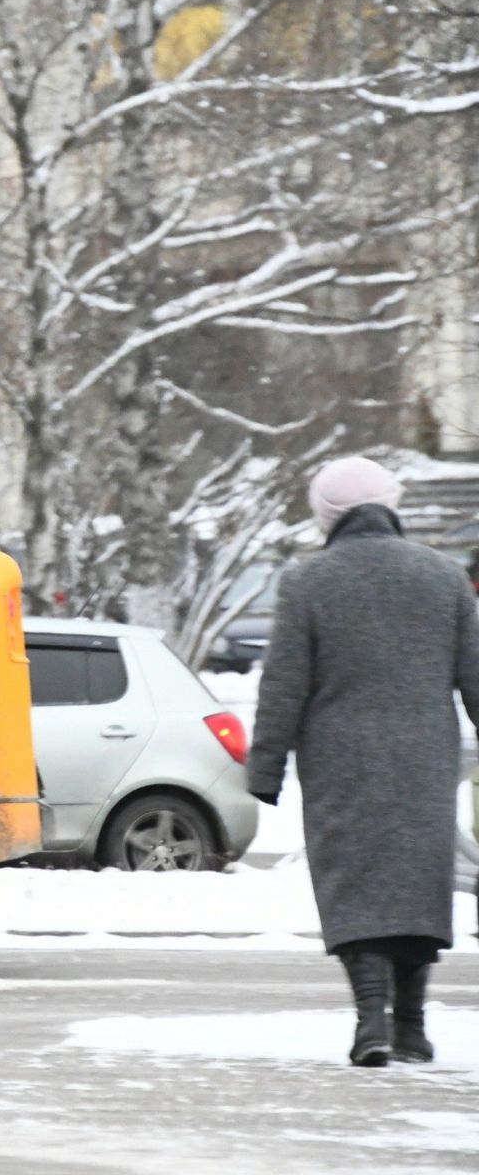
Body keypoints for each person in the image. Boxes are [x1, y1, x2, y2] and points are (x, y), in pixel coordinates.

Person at [249, 456, 479, 1067]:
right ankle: (412, 1027)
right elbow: (475, 676)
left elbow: (283, 685)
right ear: (390, 504)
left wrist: (266, 764)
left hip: (337, 759)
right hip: (424, 758)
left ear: (327, 514)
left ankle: (369, 1021)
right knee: (418, 884)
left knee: (355, 883)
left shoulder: (309, 580)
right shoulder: (444, 576)